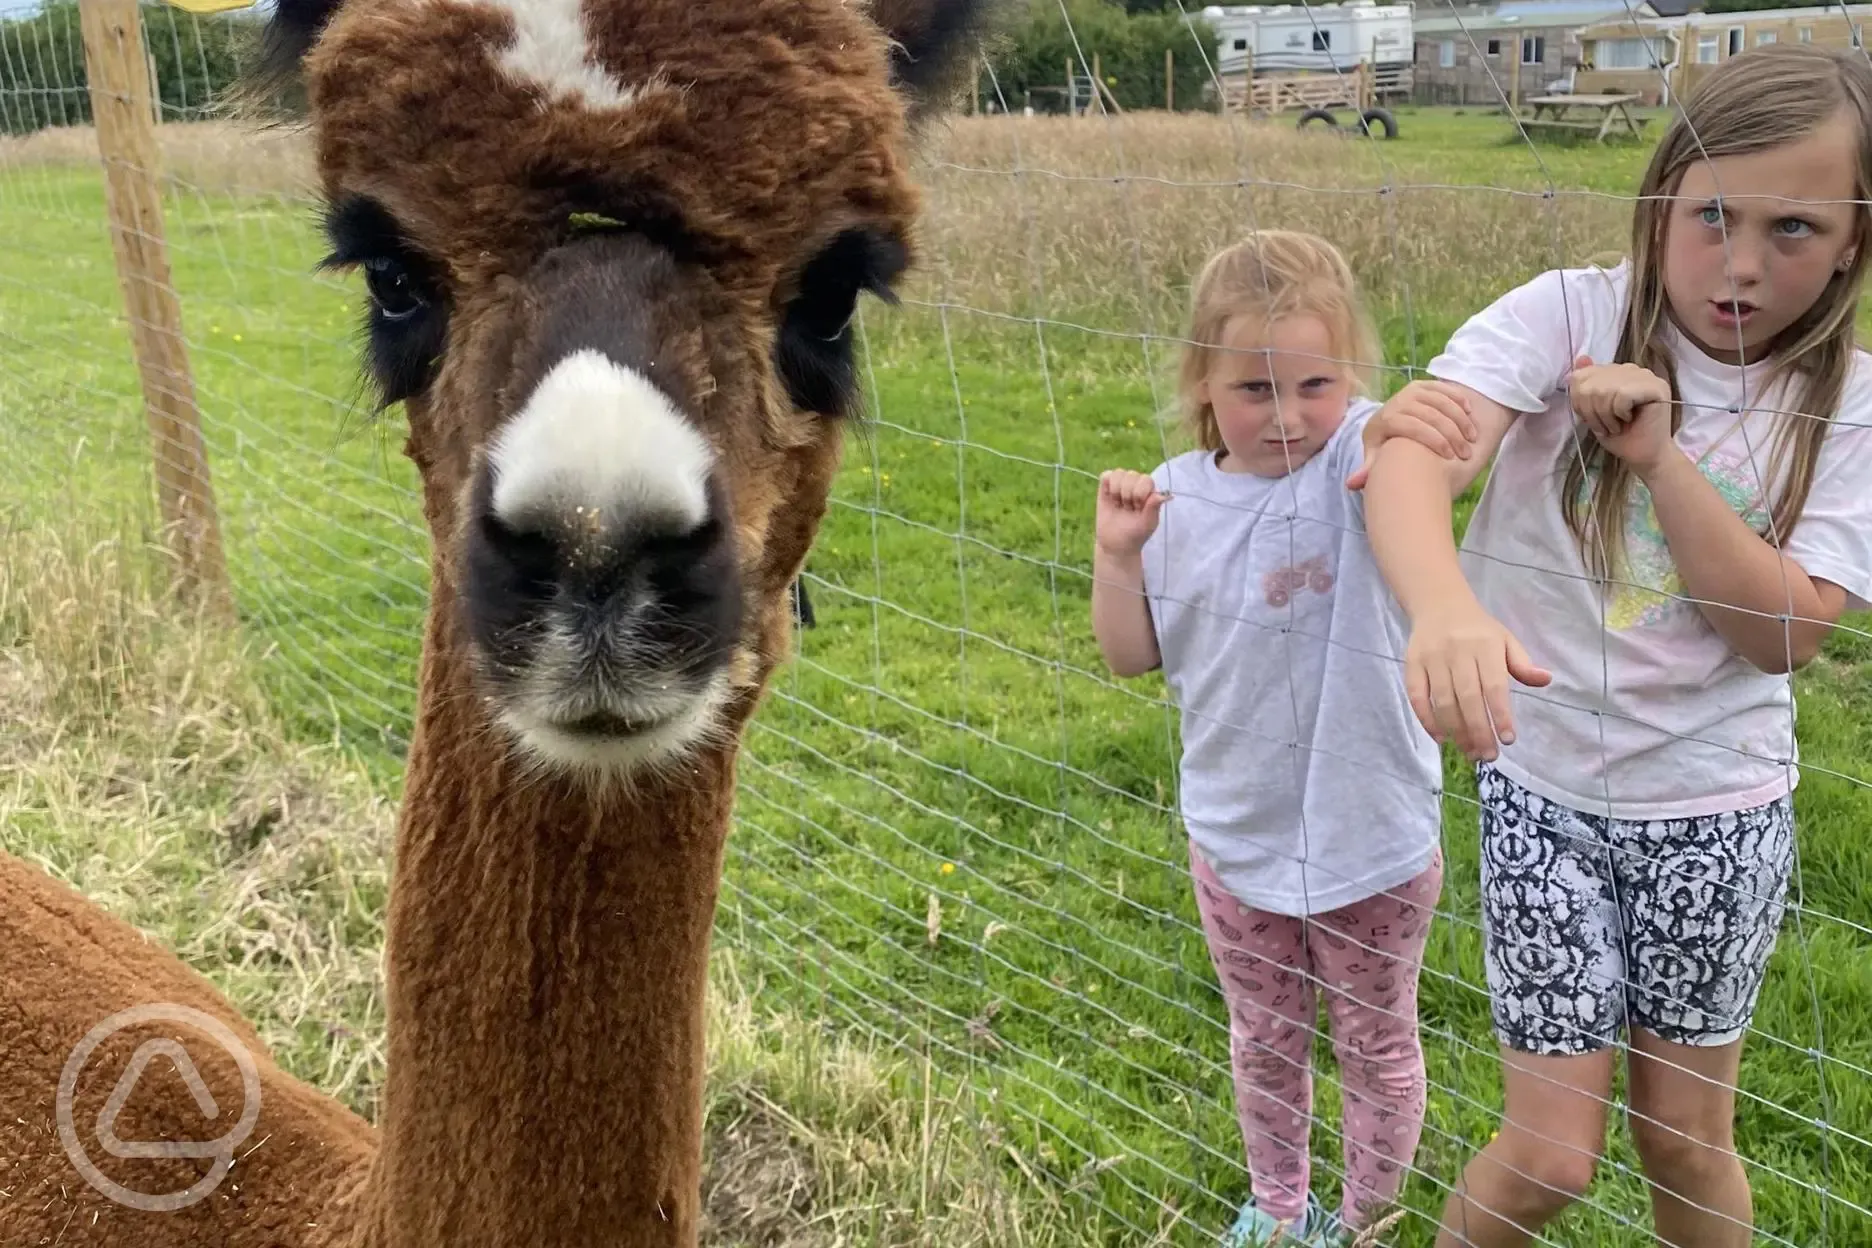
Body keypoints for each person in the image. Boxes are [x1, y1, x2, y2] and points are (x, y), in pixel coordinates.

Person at [1354, 44, 1872, 1248]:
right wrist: (1444, 605)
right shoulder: (1567, 313)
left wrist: (1657, 457)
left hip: (1717, 809)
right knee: (1549, 1157)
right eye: (1710, 215)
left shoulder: (1848, 402)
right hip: (1544, 793)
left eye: (1793, 227)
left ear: (1854, 239)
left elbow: (1784, 631)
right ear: (1659, 200)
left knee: (1687, 1145)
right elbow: (1416, 452)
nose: (1739, 264)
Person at [1091, 230, 1458, 1246]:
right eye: (1255, 389)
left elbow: (1413, 452)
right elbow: (1131, 655)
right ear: (1202, 384)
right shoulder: (1173, 499)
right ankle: (1281, 1203)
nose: (1289, 416)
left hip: (1371, 834)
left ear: (1352, 381)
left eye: (1316, 384)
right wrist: (1118, 557)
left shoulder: (1358, 459)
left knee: (1376, 1041)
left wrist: (1404, 426)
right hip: (1236, 835)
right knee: (1265, 1038)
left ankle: (1362, 1215)